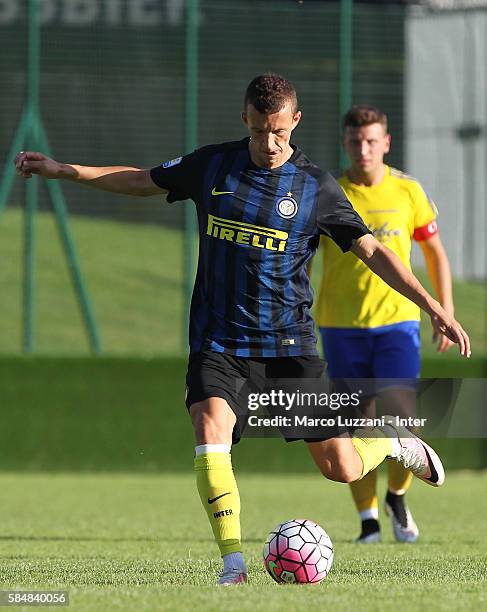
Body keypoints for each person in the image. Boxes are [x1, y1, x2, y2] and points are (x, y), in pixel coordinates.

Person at [15, 75, 470, 585]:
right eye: (258, 131)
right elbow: (141, 178)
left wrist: (432, 304)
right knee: (209, 428)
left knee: (340, 466)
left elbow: (374, 252)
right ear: (245, 121)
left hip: (289, 344)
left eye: (277, 132)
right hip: (220, 341)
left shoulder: (315, 186)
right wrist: (64, 171)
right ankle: (233, 564)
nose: (268, 143)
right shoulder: (213, 165)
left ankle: (387, 440)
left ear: (295, 122)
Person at [314, 105, 456, 544]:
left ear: (386, 143)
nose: (363, 149)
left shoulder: (408, 191)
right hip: (340, 326)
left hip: (397, 324)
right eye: (355, 141)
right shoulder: (327, 192)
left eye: (372, 141)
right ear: (345, 143)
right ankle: (368, 521)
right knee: (357, 425)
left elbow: (434, 253)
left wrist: (444, 309)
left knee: (402, 420)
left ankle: (397, 496)